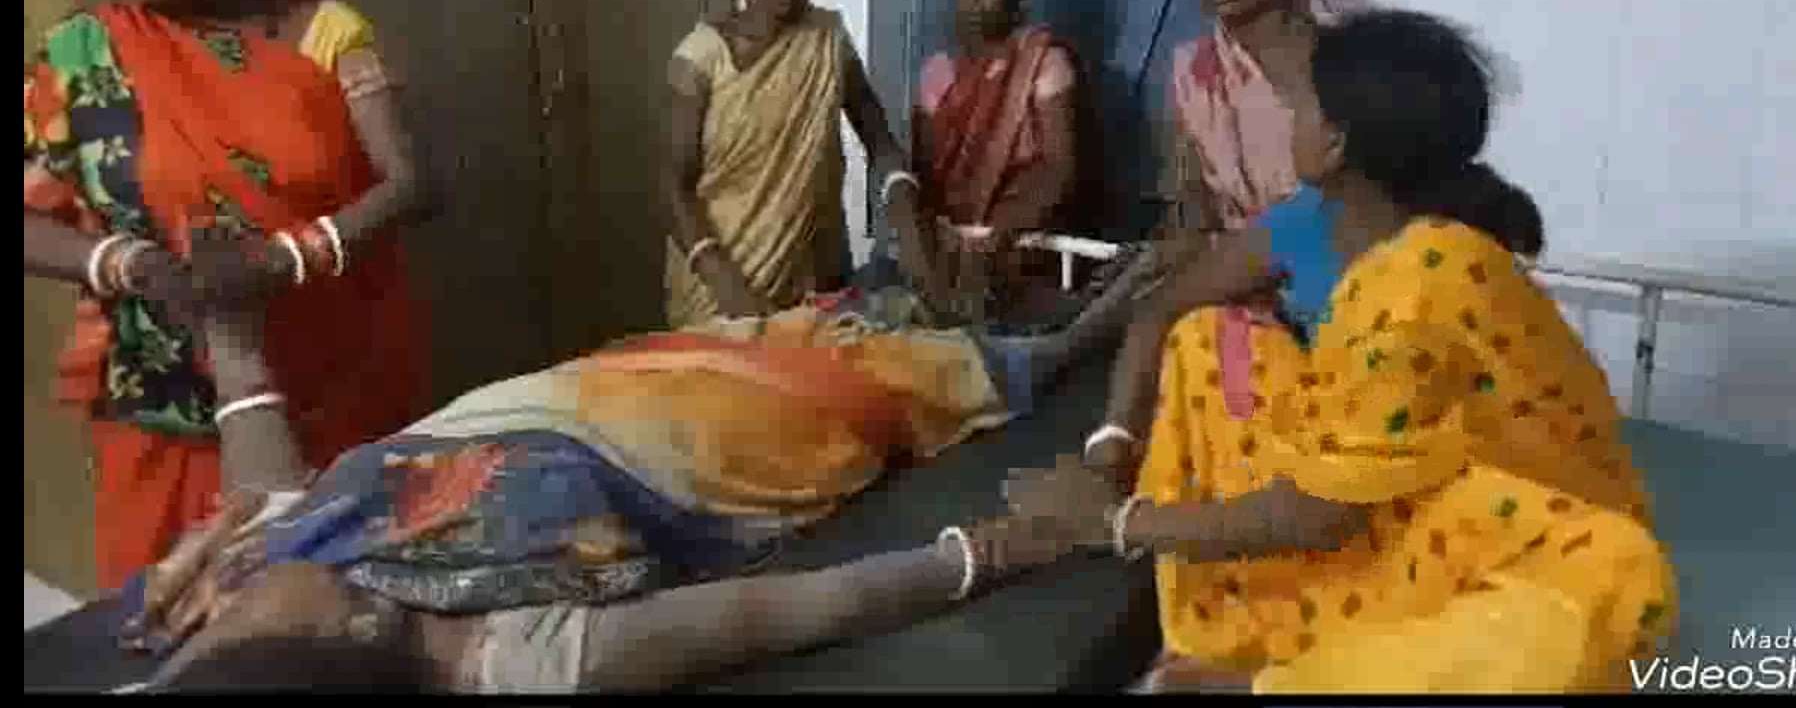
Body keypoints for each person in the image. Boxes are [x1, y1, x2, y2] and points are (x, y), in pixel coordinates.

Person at [1006, 9, 1676, 693]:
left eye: (1302, 104)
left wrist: (1111, 524)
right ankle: (1267, 632)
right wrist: (1112, 452)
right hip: (1413, 502)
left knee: (1554, 633)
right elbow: (1172, 313)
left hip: (1536, 545)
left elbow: (1315, 515)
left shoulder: (1420, 283)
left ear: (1334, 145)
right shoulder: (1368, 244)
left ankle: (1276, 676)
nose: (1288, 116)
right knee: (1208, 338)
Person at [112, 260, 1156, 692]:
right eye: (240, 609)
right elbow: (789, 612)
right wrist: (996, 552)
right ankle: (1081, 334)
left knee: (786, 326)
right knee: (904, 378)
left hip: (596, 385)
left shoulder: (296, 562)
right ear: (354, 632)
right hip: (706, 443)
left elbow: (270, 483)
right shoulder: (508, 654)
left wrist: (231, 336)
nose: (231, 587)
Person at [22, 0, 435, 591]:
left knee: (331, 605)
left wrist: (288, 258)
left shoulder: (325, 35)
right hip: (165, 405)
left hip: (333, 384)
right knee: (169, 609)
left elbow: (412, 184)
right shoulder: (83, 56)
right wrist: (127, 263)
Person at [665, 0, 946, 328]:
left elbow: (880, 143)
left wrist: (905, 215)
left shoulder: (827, 39)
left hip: (816, 285)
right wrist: (725, 283)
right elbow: (675, 186)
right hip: (721, 294)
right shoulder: (701, 59)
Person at [912, 0, 1085, 319]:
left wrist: (998, 236)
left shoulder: (1043, 62)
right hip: (951, 251)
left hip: (1023, 248)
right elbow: (924, 176)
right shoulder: (937, 72)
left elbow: (1058, 169)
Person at [1162, 0, 1334, 257]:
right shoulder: (1193, 69)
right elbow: (1189, 186)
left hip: (1326, 255)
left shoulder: (1335, 59)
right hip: (1231, 259)